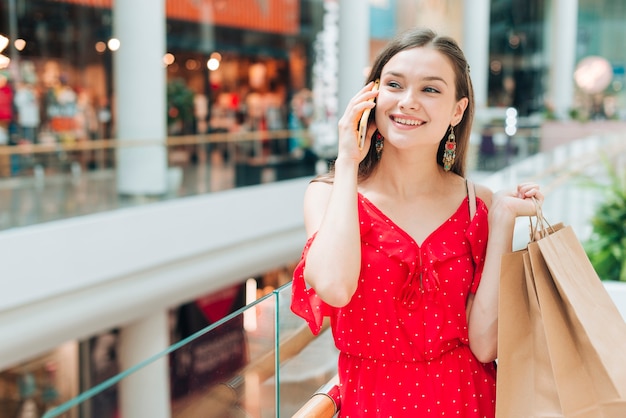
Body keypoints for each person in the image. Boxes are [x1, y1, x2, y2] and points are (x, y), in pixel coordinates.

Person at [290, 27, 543, 417]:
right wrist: (347, 161)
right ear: (372, 97)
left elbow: (484, 345)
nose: (408, 102)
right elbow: (335, 289)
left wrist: (504, 220)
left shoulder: (478, 204)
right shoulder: (331, 194)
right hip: (373, 403)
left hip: (469, 401)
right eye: (394, 84)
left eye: (430, 89)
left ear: (457, 110)